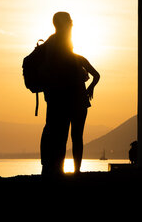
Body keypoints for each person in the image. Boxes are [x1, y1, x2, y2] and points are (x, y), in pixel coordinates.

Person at [40, 11, 100, 178]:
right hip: (73, 100)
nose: (72, 24)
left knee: (62, 135)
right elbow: (96, 75)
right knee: (73, 136)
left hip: (63, 99)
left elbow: (96, 75)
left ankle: (59, 169)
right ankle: (73, 170)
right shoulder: (75, 57)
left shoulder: (52, 45)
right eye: (70, 22)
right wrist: (90, 88)